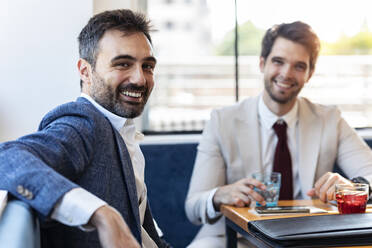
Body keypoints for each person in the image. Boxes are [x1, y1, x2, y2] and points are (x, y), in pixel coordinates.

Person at [185, 21, 372, 248]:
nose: (286, 74)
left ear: (310, 73)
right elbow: (193, 207)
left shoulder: (330, 120)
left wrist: (355, 186)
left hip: (310, 239)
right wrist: (220, 194)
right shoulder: (222, 121)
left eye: (299, 66)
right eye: (278, 61)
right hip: (237, 237)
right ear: (262, 63)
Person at [0, 9, 170, 248]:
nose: (140, 79)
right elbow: (6, 158)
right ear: (85, 71)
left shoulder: (123, 132)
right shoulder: (83, 122)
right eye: (123, 64)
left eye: (147, 66)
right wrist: (102, 214)